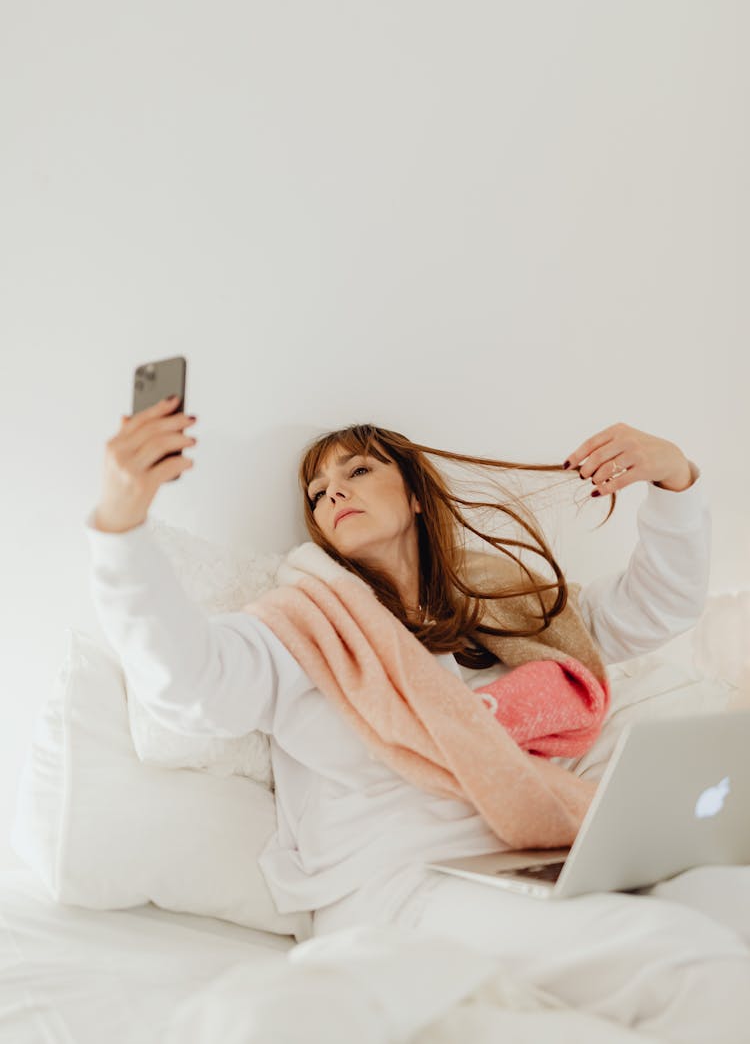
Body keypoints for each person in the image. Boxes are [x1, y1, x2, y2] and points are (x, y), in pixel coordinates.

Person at [86, 398, 750, 1043]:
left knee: (729, 897)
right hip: (401, 885)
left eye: (358, 470)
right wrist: (120, 526)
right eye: (317, 492)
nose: (333, 493)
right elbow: (191, 683)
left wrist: (673, 476)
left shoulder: (505, 609)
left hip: (531, 860)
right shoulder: (308, 630)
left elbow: (654, 609)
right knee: (682, 959)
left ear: (413, 496)